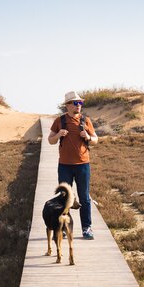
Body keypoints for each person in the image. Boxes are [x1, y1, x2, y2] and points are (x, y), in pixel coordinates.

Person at [48, 91, 98, 239]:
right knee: (64, 197)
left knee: (84, 197)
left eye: (80, 103)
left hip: (83, 165)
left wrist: (88, 137)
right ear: (68, 105)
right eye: (76, 103)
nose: (79, 106)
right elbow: (50, 140)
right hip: (64, 166)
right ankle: (64, 228)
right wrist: (58, 135)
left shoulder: (85, 120)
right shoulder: (59, 121)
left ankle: (86, 228)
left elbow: (95, 139)